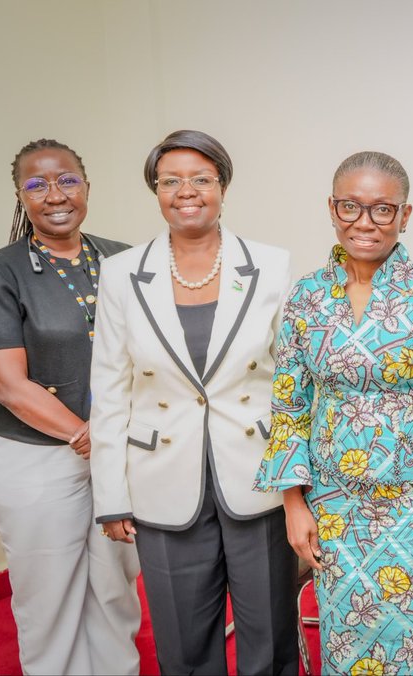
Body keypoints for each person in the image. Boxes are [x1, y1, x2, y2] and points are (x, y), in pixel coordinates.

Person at [254, 151, 413, 675]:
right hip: (332, 504)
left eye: (382, 209)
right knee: (345, 636)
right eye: (351, 207)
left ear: (405, 215)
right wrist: (293, 504)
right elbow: (290, 402)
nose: (365, 223)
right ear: (332, 208)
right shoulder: (307, 295)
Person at [89, 130, 299, 675]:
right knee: (183, 644)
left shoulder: (272, 267)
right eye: (171, 181)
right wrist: (110, 494)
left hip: (260, 474)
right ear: (155, 191)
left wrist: (302, 481)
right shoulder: (120, 272)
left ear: (223, 187)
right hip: (160, 477)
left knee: (270, 634)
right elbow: (110, 388)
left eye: (202, 179)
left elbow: (297, 385)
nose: (187, 191)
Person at [0, 138, 141, 675]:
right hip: (35, 459)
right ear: (21, 196)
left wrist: (114, 442)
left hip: (116, 453)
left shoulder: (124, 259)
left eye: (66, 180)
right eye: (36, 185)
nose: (54, 194)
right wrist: (88, 436)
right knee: (50, 599)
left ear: (86, 185)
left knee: (116, 587)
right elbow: (6, 384)